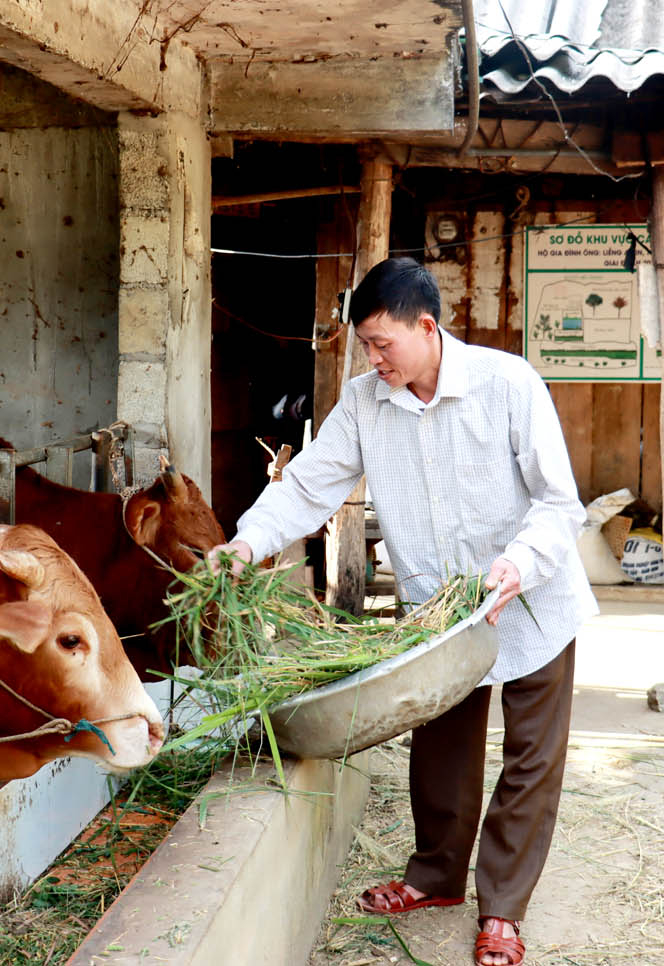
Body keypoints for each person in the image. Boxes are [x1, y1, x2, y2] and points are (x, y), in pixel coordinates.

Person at [207, 257, 596, 966]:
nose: (373, 358)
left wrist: (518, 563)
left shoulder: (508, 385)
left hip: (532, 596)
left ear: (427, 326)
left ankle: (503, 908)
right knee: (440, 744)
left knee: (531, 756)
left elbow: (557, 500)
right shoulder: (364, 402)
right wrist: (246, 542)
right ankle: (436, 878)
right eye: (365, 346)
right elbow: (308, 486)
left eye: (384, 344)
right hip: (442, 613)